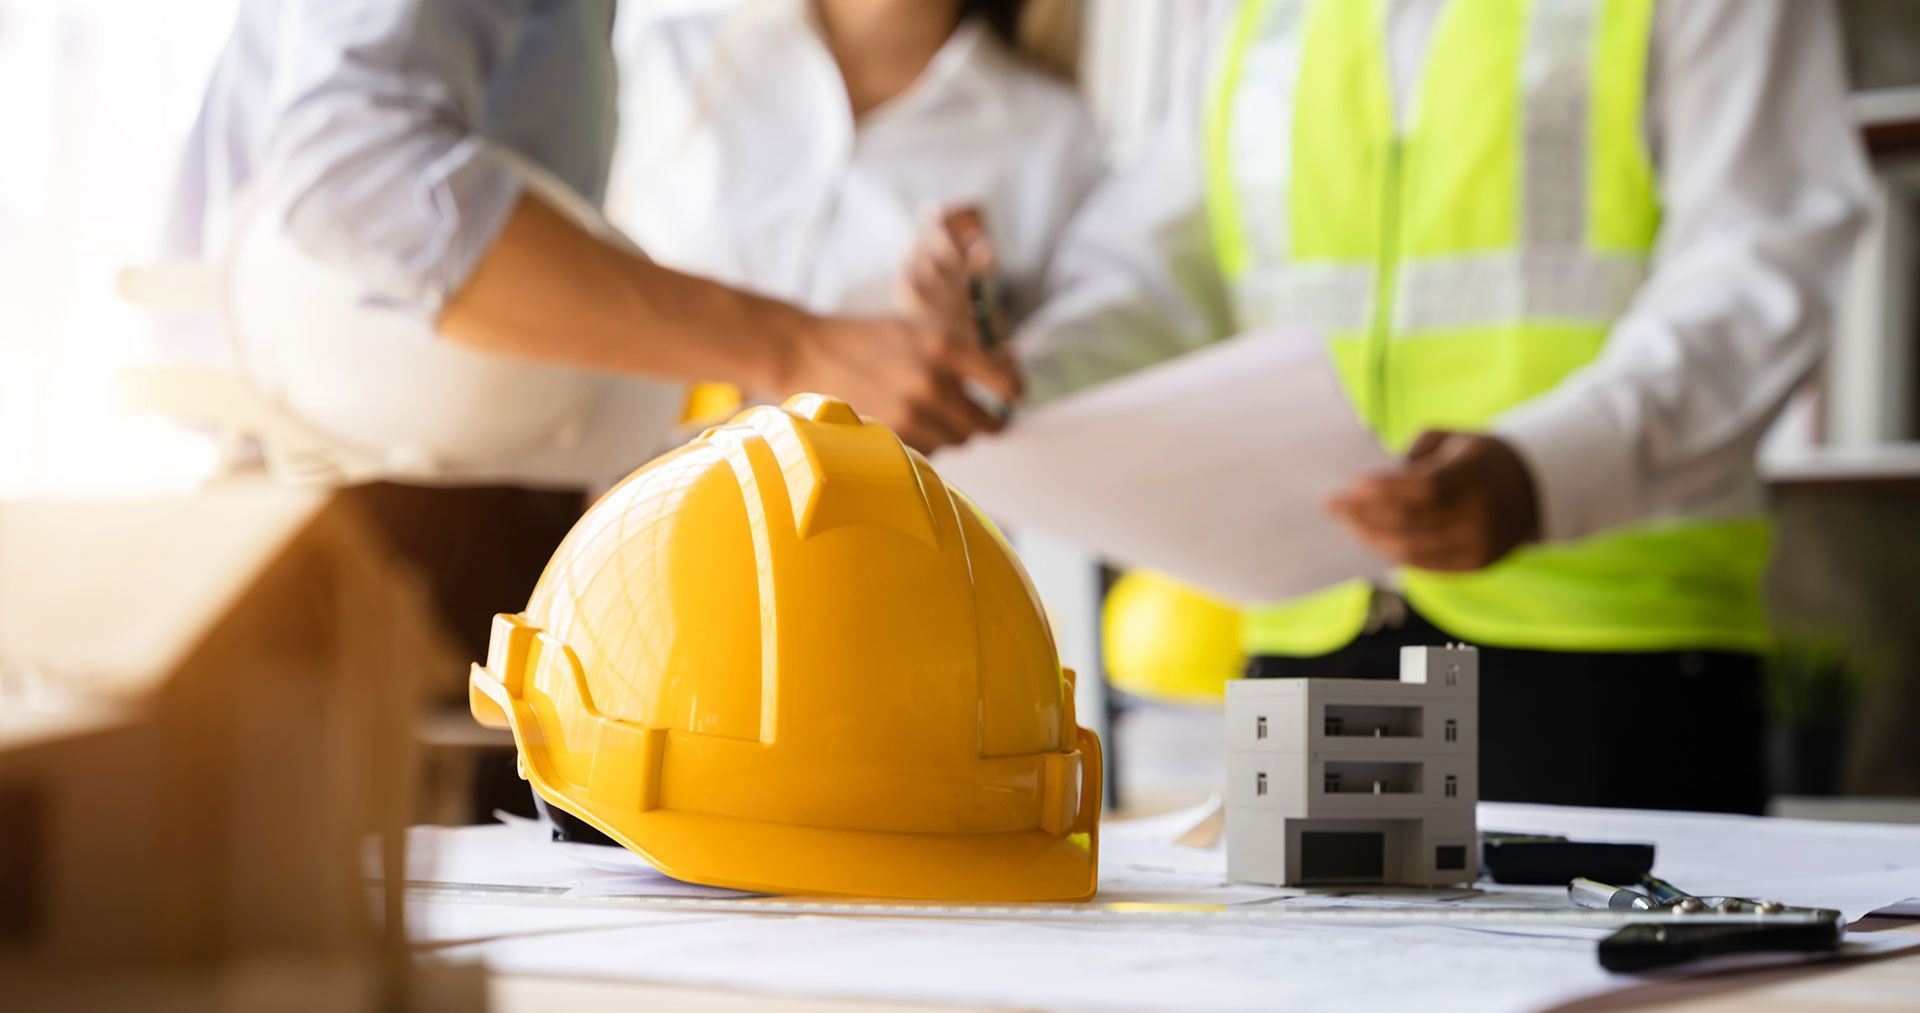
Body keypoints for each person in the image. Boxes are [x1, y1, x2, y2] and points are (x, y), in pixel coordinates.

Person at [929, 0, 1873, 813]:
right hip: (1309, 646)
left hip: (1609, 648)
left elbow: (1761, 255)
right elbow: (1154, 274)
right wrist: (1009, 374)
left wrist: (1549, 469)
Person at [159, 0, 1018, 472]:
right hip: (313, 454)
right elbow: (357, 174)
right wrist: (796, 348)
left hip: (496, 474)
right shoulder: (683, 54)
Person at [603, 0, 1099, 451]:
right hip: (627, 515)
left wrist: (963, 348)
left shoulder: (1055, 138)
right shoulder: (664, 57)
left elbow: (1031, 407)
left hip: (868, 534)